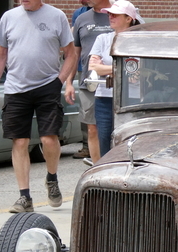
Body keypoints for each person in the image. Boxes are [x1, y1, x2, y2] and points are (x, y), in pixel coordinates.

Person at [0, 0, 76, 213]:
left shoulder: (57, 16)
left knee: (49, 139)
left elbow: (71, 54)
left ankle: (52, 179)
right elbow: (0, 55)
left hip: (48, 86)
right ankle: (24, 197)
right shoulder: (9, 17)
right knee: (19, 141)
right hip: (16, 88)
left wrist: (59, 81)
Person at [89, 1, 142, 157]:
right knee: (104, 138)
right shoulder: (102, 39)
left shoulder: (139, 40)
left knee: (128, 138)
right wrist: (123, 70)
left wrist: (105, 69)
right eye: (109, 14)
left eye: (115, 14)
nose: (110, 16)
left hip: (131, 97)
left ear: (128, 18)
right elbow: (92, 67)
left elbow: (136, 73)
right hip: (104, 96)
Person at [65, 0, 113, 165]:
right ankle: (97, 167)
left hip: (119, 83)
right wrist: (69, 82)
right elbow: (75, 54)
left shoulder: (120, 14)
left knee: (114, 128)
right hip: (90, 81)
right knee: (92, 128)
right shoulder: (81, 18)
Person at [70, 0, 93, 160]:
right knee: (85, 110)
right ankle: (86, 146)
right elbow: (74, 43)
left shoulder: (113, 11)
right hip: (83, 68)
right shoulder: (79, 14)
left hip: (105, 70)